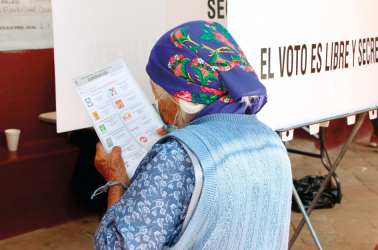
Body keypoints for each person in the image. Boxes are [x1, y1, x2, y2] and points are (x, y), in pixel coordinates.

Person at [92, 21, 292, 250]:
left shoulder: (175, 157)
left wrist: (116, 181)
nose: (158, 103)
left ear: (180, 98)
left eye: (157, 93)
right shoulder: (272, 142)